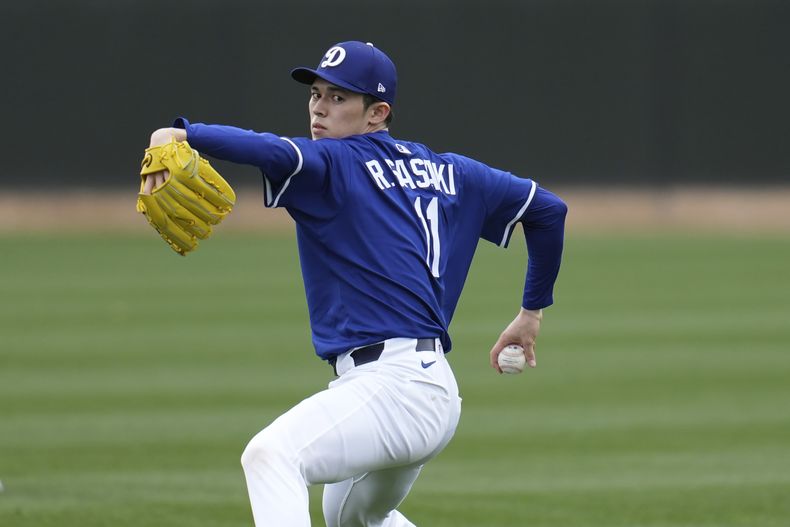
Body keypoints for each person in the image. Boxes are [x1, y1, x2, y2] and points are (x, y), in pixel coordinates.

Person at [144, 40, 567, 527]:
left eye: (339, 97)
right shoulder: (453, 171)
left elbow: (267, 147)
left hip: (395, 388)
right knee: (351, 518)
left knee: (271, 455)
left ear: (377, 113)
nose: (320, 108)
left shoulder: (334, 163)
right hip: (428, 390)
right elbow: (548, 210)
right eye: (316, 94)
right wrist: (530, 313)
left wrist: (179, 134)